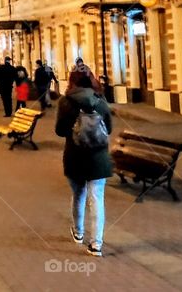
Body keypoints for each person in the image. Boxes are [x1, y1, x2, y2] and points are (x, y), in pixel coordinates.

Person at [55, 69, 113, 257]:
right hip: (98, 158)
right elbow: (109, 129)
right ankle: (96, 244)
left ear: (72, 81)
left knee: (78, 194)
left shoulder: (65, 102)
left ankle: (78, 232)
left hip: (75, 156)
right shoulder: (100, 101)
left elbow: (60, 130)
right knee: (96, 198)